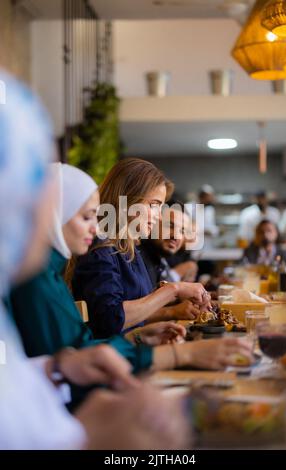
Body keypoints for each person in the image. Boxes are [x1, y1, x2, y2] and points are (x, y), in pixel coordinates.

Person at [0, 72, 191, 450]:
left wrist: (59, 368)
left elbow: (60, 361)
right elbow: (107, 322)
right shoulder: (43, 277)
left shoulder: (48, 273)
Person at [72, 158, 213, 339]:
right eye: (153, 205)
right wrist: (174, 289)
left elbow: (135, 316)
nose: (157, 216)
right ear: (128, 199)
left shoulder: (131, 249)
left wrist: (148, 331)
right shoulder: (100, 248)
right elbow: (109, 319)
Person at [140, 201, 198, 286]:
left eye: (182, 231)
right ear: (153, 222)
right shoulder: (136, 259)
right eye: (170, 226)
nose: (176, 236)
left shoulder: (160, 260)